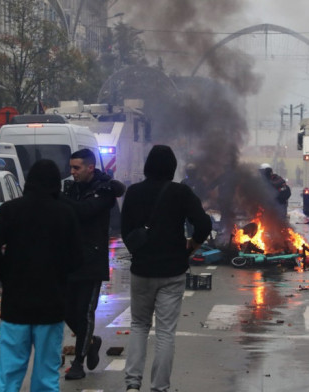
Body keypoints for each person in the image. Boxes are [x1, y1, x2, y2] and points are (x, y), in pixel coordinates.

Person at [0, 159, 84, 391]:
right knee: (46, 373)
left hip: (16, 303)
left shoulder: (10, 210)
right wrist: (58, 274)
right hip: (52, 303)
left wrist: (6, 272)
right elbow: (78, 257)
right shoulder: (65, 213)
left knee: (9, 371)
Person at [121, 145, 211, 392]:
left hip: (141, 271)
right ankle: (159, 387)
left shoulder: (134, 192)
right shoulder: (181, 192)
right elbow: (203, 223)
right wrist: (193, 244)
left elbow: (125, 229)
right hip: (172, 271)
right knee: (165, 332)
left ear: (147, 166)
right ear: (172, 168)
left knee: (139, 325)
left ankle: (131, 384)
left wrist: (138, 251)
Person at [62, 148, 125, 380]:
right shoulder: (71, 188)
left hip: (91, 259)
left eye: (76, 168)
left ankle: (78, 362)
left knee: (85, 312)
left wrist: (60, 199)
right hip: (69, 258)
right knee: (65, 309)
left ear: (90, 167)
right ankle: (90, 341)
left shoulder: (103, 190)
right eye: (70, 168)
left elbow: (85, 211)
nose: (72, 173)